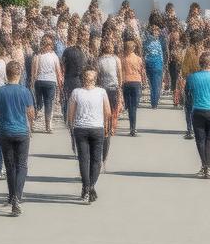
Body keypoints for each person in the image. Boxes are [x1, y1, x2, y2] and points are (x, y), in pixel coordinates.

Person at [0, 60, 35, 216]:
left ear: (6, 74)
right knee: (21, 165)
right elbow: (30, 112)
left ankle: (11, 196)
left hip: (4, 131)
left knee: (9, 165)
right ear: (20, 73)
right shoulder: (25, 92)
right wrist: (31, 125)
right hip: (22, 131)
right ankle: (17, 197)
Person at [67, 66, 111, 203]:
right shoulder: (102, 92)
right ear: (95, 79)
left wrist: (71, 127)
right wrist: (106, 126)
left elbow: (70, 113)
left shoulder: (76, 92)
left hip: (80, 129)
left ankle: (86, 187)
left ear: (83, 79)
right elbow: (108, 112)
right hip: (97, 128)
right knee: (96, 161)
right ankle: (91, 186)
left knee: (83, 160)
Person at [186, 51, 210, 178]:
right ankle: (208, 167)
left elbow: (188, 94)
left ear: (200, 63)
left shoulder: (192, 77)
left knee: (200, 140)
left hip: (197, 110)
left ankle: (204, 166)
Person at [30, 35, 62, 133]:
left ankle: (32, 123)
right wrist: (60, 84)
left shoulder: (37, 56)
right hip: (51, 82)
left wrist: (32, 82)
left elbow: (34, 71)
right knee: (49, 104)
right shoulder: (54, 56)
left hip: (39, 81)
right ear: (51, 46)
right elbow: (58, 71)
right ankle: (48, 126)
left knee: (38, 103)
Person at [120, 39, 145, 136]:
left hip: (126, 82)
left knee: (129, 106)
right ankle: (133, 128)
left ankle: (132, 126)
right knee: (134, 107)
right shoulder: (138, 59)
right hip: (136, 82)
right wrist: (143, 81)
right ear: (133, 48)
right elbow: (141, 71)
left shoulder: (123, 59)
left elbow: (121, 71)